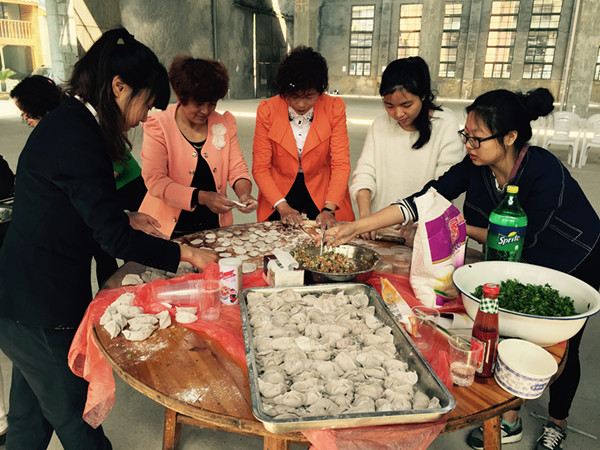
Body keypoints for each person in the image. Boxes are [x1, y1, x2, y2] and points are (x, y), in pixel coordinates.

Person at [324, 88, 600, 450]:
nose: (468, 145)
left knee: (560, 346)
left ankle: (557, 422)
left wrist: (456, 225)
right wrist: (356, 227)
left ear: (510, 137)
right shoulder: (477, 166)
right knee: (502, 331)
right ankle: (509, 418)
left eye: (477, 138)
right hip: (511, 259)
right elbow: (425, 200)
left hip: (572, 259)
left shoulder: (543, 170)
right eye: (465, 135)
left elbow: (522, 237)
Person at [0, 28, 217, 449]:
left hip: (21, 297)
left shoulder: (71, 121)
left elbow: (67, 202)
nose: (144, 117)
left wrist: (124, 215)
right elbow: (114, 241)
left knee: (28, 424)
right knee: (78, 421)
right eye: (145, 103)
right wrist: (185, 253)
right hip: (38, 307)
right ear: (119, 87)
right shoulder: (79, 137)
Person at [139, 55, 257, 239]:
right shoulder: (159, 125)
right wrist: (202, 197)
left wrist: (244, 194)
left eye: (212, 103)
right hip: (168, 230)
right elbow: (155, 181)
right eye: (199, 104)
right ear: (181, 96)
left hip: (214, 228)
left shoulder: (224, 123)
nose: (206, 111)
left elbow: (237, 169)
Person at [349, 56, 464, 239]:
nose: (398, 113)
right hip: (380, 228)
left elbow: (444, 186)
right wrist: (365, 217)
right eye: (389, 105)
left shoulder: (445, 124)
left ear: (423, 95)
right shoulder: (380, 125)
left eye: (406, 105)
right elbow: (365, 173)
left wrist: (417, 217)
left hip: (424, 231)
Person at [252, 46, 354, 229]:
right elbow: (260, 168)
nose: (301, 104)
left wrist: (329, 209)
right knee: (276, 236)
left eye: (309, 96)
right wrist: (282, 207)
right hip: (280, 187)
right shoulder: (267, 110)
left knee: (331, 235)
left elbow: (340, 164)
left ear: (320, 90)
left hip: (323, 184)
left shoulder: (334, 108)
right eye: (293, 96)